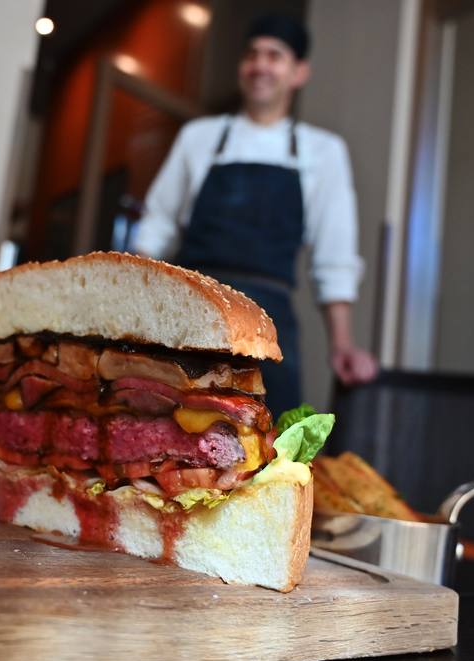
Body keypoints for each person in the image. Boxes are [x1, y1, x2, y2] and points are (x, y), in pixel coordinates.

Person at [130, 13, 377, 415]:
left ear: (299, 72)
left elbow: (334, 256)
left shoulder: (323, 151)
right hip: (192, 308)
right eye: (252, 54)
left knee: (270, 434)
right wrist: (134, 312)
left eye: (274, 56)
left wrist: (342, 345)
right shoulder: (199, 137)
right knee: (169, 422)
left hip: (269, 324)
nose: (260, 64)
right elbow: (156, 226)